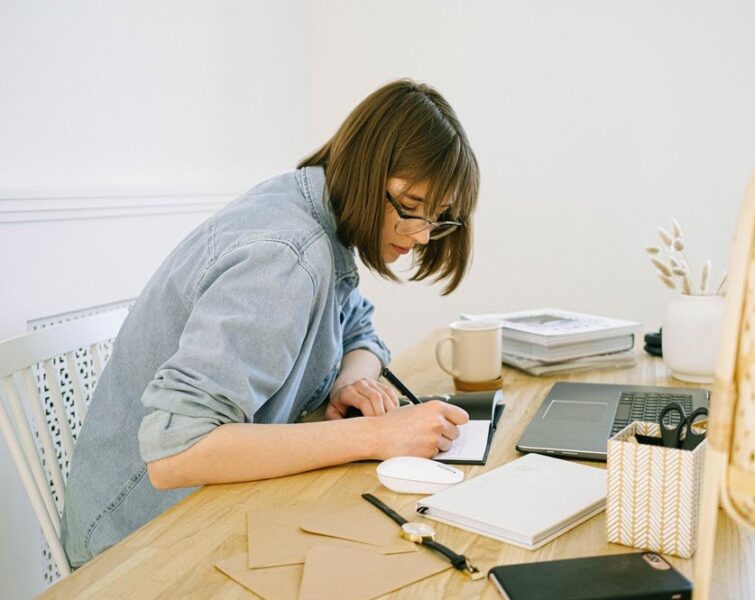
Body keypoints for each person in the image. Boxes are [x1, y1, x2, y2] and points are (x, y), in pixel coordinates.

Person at [62, 79, 480, 567]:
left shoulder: (319, 215)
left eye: (438, 218)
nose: (423, 235)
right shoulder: (285, 255)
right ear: (368, 169)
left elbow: (359, 329)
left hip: (214, 506)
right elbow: (176, 450)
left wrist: (354, 382)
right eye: (410, 208)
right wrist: (377, 435)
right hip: (139, 540)